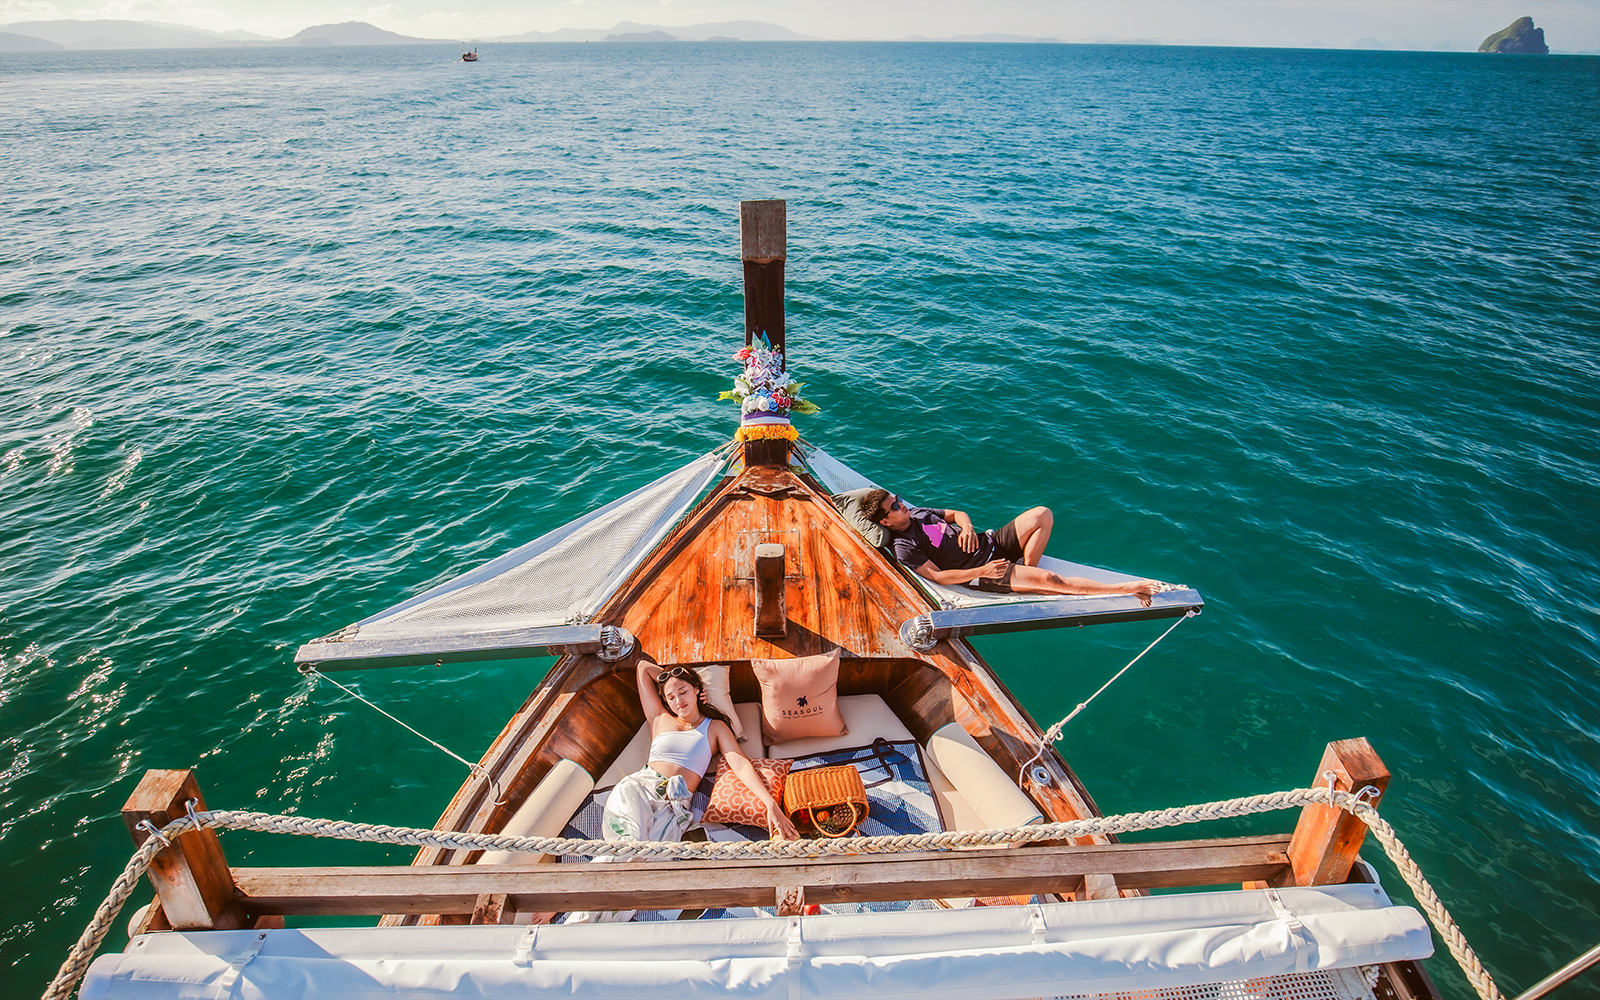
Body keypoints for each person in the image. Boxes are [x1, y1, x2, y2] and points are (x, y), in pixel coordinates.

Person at [566, 656, 797, 923]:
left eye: (683, 691)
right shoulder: (659, 718)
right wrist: (668, 677)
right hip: (639, 789)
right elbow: (642, 669)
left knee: (642, 876)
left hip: (674, 809)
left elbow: (740, 763)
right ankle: (571, 903)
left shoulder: (714, 728)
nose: (678, 702)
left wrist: (769, 803)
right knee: (628, 850)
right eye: (671, 697)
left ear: (699, 691)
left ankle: (587, 927)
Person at [859, 488, 1160, 606]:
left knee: (1042, 513)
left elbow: (955, 513)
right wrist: (983, 570)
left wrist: (965, 527)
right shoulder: (904, 546)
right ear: (886, 521)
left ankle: (1026, 572)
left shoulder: (920, 512)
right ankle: (1130, 588)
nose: (901, 505)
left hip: (992, 542)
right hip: (982, 571)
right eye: (895, 506)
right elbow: (937, 577)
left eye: (898, 500)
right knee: (1052, 581)